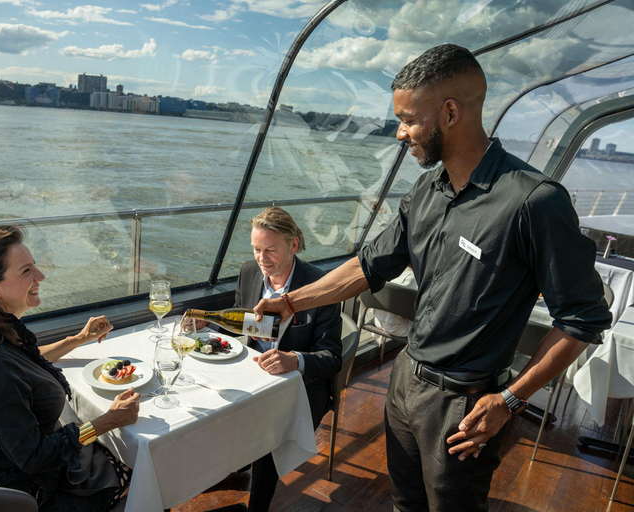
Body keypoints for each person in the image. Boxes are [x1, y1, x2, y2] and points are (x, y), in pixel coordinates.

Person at [254, 45, 612, 511]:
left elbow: (582, 320)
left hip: (464, 402)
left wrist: (509, 400)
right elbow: (368, 265)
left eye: (407, 118)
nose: (400, 133)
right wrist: (292, 301)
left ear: (449, 113)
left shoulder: (535, 202)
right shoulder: (427, 190)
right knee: (405, 503)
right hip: (406, 379)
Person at [0, 225, 140, 512]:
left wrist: (78, 339)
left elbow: (24, 363)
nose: (41, 276)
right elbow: (34, 457)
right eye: (26, 271)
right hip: (19, 490)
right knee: (139, 476)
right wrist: (109, 421)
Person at [210, 207, 342, 512]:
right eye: (256, 248)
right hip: (252, 374)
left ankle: (257, 506)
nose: (261, 258)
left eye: (270, 249)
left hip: (299, 387)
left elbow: (332, 357)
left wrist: (294, 360)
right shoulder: (249, 271)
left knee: (267, 430)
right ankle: (222, 470)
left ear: (293, 245)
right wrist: (209, 326)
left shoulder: (319, 287)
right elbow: (241, 320)